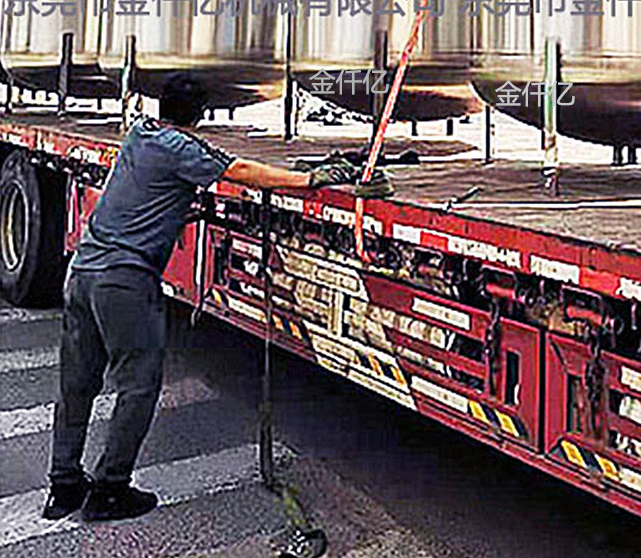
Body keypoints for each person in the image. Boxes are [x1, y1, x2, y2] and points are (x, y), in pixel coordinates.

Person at [43, 72, 391, 523]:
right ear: (202, 114)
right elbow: (240, 172)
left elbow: (152, 190)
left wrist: (180, 207)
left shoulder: (140, 134)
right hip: (123, 280)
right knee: (138, 385)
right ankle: (110, 489)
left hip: (83, 271)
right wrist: (311, 178)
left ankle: (64, 484)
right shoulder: (183, 149)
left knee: (77, 383)